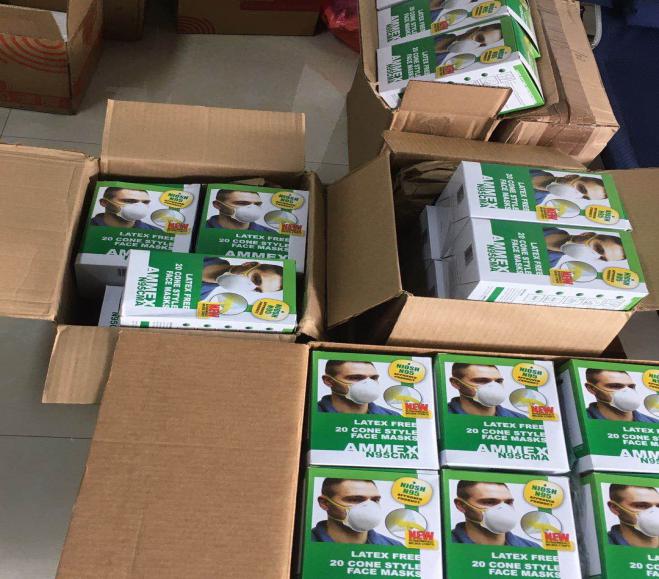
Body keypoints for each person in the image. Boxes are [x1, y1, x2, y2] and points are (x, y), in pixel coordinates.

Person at [312, 478, 402, 545]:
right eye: (355, 499)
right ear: (324, 503)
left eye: (375, 500)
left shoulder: (395, 547)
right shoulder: (306, 543)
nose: (369, 507)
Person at [452, 480, 539, 547]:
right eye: (489, 502)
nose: (503, 509)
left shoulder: (533, 549)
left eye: (508, 502)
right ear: (461, 505)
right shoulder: (446, 546)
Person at [319, 360, 399, 415]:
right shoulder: (313, 414)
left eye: (373, 378)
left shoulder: (393, 417)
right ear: (328, 381)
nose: (368, 384)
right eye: (355, 378)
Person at [448, 363, 526, 418]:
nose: (494, 387)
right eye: (481, 380)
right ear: (456, 383)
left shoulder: (520, 419)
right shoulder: (443, 416)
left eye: (498, 381)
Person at [585, 368, 659, 423]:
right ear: (591, 388)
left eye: (631, 387)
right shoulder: (581, 421)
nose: (627, 392)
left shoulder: (655, 424)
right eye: (615, 386)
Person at [199, 257, 283, 301]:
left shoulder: (199, 296)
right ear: (250, 264)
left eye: (257, 290)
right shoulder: (203, 252)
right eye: (256, 279)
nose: (250, 286)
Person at [543, 227, 625, 268]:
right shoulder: (544, 221)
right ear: (588, 235)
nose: (595, 255)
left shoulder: (547, 265)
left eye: (602, 258)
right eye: (598, 249)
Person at [91, 187, 159, 230]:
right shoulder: (87, 227)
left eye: (145, 202)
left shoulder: (155, 232)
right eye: (129, 201)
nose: (140, 206)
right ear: (104, 203)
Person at [207, 189, 271, 232]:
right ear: (218, 205)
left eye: (257, 204)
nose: (253, 208)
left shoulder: (269, 233)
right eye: (242, 203)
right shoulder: (203, 228)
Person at [530, 169, 608, 205]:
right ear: (571, 176)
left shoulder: (535, 202)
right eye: (581, 189)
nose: (578, 194)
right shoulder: (534, 168)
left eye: (584, 197)